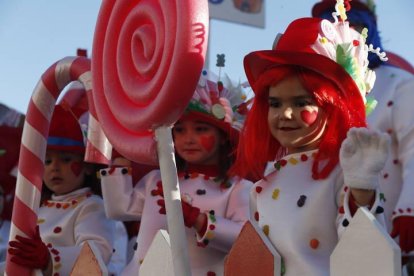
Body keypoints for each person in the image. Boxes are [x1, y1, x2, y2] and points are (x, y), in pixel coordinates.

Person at [229, 4, 390, 275]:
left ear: (332, 108)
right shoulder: (267, 180)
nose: (285, 114)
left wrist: (361, 191)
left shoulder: (343, 172)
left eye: (302, 102)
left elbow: (365, 249)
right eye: (275, 103)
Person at [99, 69, 252, 275]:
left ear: (223, 136)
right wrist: (120, 154)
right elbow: (119, 209)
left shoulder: (237, 187)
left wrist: (199, 220)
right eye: (179, 130)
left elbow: (247, 240)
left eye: (200, 129)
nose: (188, 139)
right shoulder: (156, 180)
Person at [312, 0, 414, 260]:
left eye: (353, 27)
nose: (343, 37)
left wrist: (409, 208)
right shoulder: (311, 95)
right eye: (331, 29)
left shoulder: (401, 84)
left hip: (386, 225)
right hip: (321, 233)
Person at [7, 105, 116, 275]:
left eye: (65, 159)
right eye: (47, 161)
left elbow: (95, 254)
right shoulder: (36, 210)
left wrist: (49, 259)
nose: (55, 168)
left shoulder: (92, 205)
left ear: (87, 166)